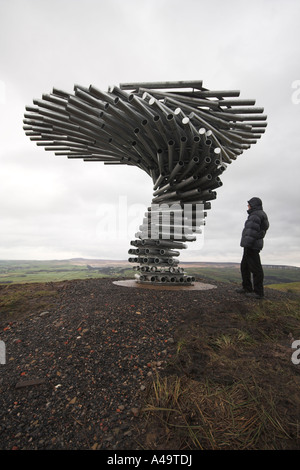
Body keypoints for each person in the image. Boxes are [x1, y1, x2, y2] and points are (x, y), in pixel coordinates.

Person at [237, 197, 269, 299]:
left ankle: (258, 292)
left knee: (256, 269)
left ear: (254, 205)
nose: (248, 206)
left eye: (249, 204)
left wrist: (248, 243)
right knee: (245, 267)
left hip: (252, 245)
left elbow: (252, 231)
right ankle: (247, 287)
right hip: (250, 245)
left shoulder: (256, 215)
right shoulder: (257, 214)